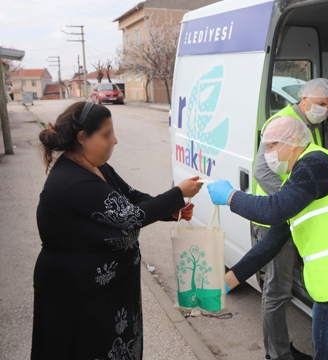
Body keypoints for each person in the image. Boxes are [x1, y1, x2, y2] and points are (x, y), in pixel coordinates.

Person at [32, 101, 203, 359]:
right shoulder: (73, 181)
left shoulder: (95, 166)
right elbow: (131, 217)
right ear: (82, 137)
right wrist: (178, 193)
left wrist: (170, 210)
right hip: (79, 295)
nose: (115, 140)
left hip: (107, 291)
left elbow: (132, 197)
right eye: (106, 134)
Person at [209, 116, 328, 360]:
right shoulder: (305, 178)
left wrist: (231, 197)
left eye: (271, 146)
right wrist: (229, 281)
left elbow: (273, 210)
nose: (266, 154)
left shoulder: (314, 163)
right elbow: (273, 240)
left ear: (293, 142)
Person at [252, 78, 328, 360]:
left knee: (285, 288)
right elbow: (262, 172)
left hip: (292, 218)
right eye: (320, 104)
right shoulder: (283, 122)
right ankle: (277, 355)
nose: (325, 110)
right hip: (275, 220)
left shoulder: (311, 127)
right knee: (276, 292)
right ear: (304, 100)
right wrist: (291, 204)